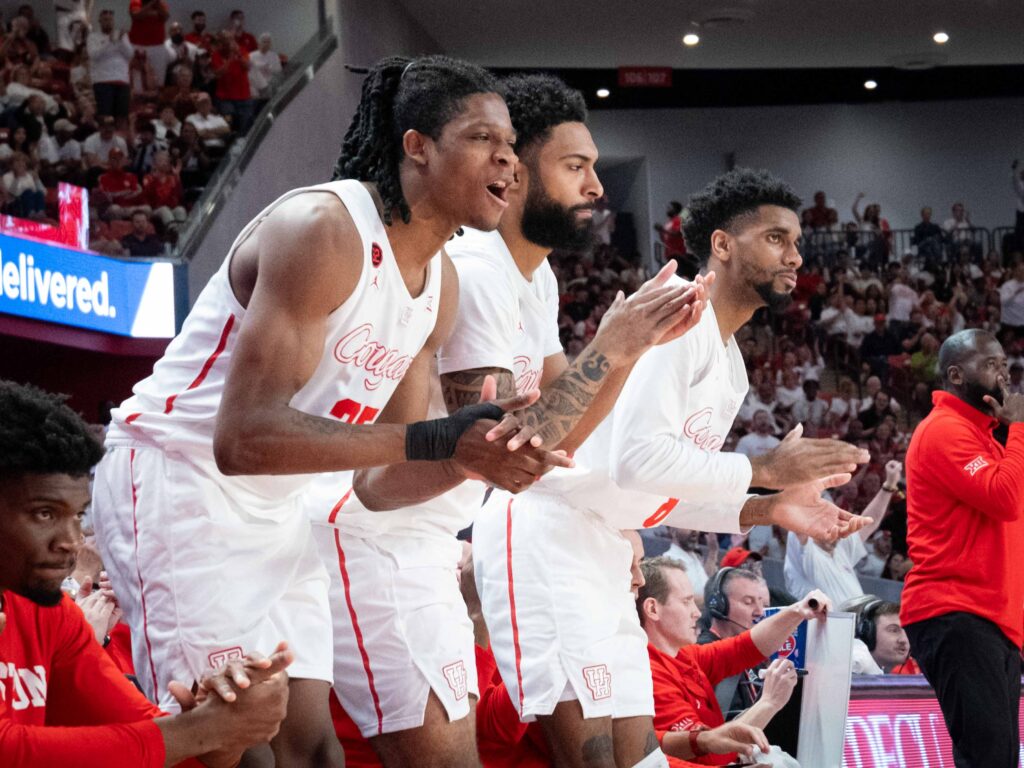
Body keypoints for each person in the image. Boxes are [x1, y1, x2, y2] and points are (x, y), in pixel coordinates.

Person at [90, 55, 570, 768]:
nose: (507, 157)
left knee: (313, 751)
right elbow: (242, 438)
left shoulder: (437, 284)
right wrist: (438, 437)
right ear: (416, 146)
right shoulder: (323, 228)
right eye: (481, 138)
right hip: (179, 481)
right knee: (230, 745)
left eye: (510, 144)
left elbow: (381, 483)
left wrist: (469, 460)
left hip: (278, 510)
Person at [310, 73, 702, 768]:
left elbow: (565, 433)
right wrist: (613, 346)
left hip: (428, 536)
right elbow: (503, 445)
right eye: (575, 166)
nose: (596, 187)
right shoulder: (477, 268)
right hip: (377, 532)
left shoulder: (533, 278)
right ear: (517, 171)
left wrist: (627, 349)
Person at [475, 167, 871, 768]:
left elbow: (665, 486)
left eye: (795, 241)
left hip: (605, 542)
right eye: (775, 238)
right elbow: (639, 462)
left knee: (641, 757)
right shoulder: (680, 317)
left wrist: (767, 507)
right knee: (591, 758)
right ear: (722, 244)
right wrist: (763, 468)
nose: (795, 254)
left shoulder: (729, 359)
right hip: (546, 529)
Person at [0, 380, 294, 767]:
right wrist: (200, 732)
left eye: (76, 515)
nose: (71, 540)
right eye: (45, 513)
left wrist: (226, 716)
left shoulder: (51, 615)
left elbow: (163, 748)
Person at [901, 329, 1024, 767]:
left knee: (999, 760)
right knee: (988, 759)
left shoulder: (992, 438)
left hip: (991, 618)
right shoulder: (944, 431)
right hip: (957, 611)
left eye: (1005, 364)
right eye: (990, 365)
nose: (1004, 375)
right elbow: (1004, 498)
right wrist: (1020, 430)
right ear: (956, 374)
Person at [639, 557, 831, 764]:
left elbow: (746, 647)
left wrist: (798, 611)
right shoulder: (649, 674)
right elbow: (711, 754)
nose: (696, 612)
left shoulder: (683, 655)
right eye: (686, 602)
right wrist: (769, 702)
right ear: (652, 609)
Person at [788, 461, 901, 606]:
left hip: (854, 624)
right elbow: (796, 516)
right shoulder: (805, 551)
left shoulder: (840, 547)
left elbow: (869, 522)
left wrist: (889, 485)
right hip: (823, 626)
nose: (833, 525)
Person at [841, 596, 917, 675]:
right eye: (894, 630)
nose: (904, 640)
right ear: (865, 633)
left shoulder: (873, 673)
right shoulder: (852, 664)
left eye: (907, 632)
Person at [87, 9, 134, 124]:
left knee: (121, 117)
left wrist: (121, 41)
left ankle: (120, 140)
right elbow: (94, 55)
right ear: (100, 21)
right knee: (105, 116)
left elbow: (130, 55)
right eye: (105, 19)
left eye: (110, 19)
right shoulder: (93, 37)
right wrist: (110, 41)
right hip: (103, 81)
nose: (108, 22)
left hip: (122, 80)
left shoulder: (122, 36)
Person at [248, 32, 282, 100]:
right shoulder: (251, 56)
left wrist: (270, 68)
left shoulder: (274, 56)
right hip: (257, 87)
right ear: (259, 43)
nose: (266, 44)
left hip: (271, 84)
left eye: (268, 42)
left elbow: (278, 71)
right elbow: (249, 73)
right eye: (264, 42)